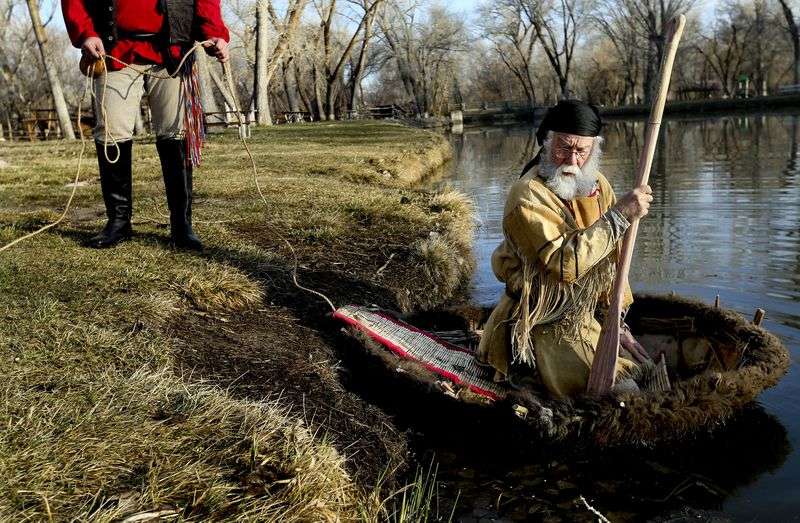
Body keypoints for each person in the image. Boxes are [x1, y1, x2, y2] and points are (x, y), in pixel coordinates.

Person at [476, 99, 653, 398]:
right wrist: (620, 216)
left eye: (581, 151)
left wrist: (617, 321)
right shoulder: (528, 195)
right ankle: (523, 369)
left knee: (642, 369)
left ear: (593, 150)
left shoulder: (598, 185)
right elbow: (563, 265)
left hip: (584, 313)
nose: (572, 161)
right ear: (546, 143)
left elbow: (612, 261)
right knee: (623, 392)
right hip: (539, 318)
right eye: (563, 148)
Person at [61, 0, 231, 250]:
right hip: (113, 51)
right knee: (111, 133)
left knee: (176, 134)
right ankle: (118, 223)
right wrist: (86, 33)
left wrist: (214, 33)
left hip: (173, 53)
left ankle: (182, 226)